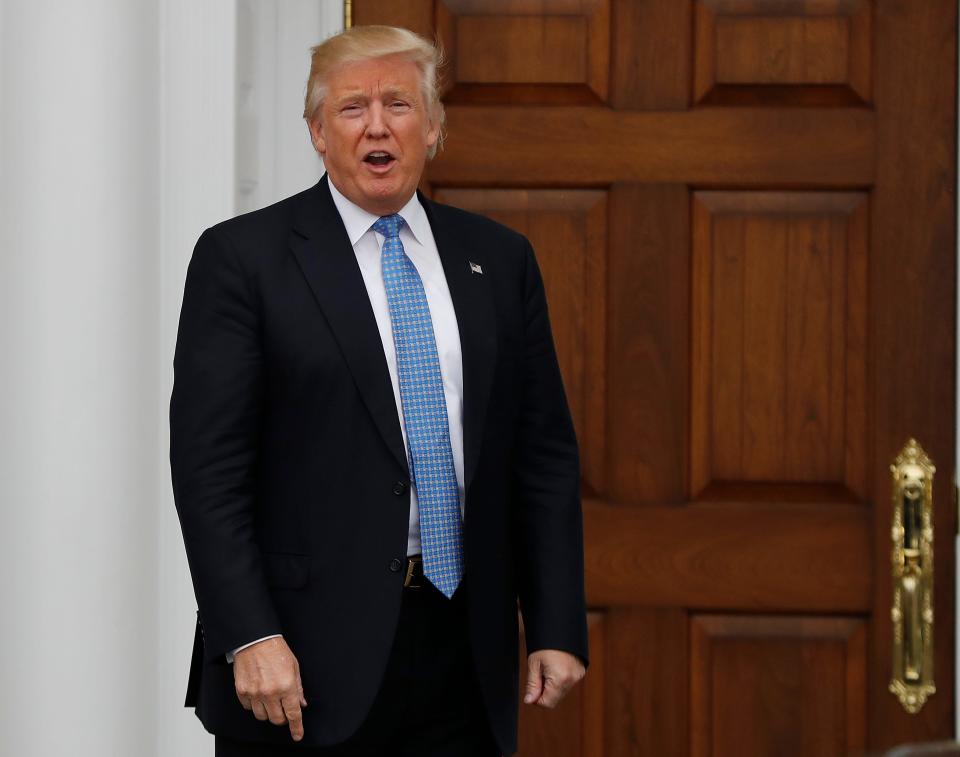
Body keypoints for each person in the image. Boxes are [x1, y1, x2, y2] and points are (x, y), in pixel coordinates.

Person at [169, 24, 588, 757]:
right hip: (302, 656)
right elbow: (209, 475)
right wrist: (250, 634)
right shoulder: (244, 260)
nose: (377, 125)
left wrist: (554, 623)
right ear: (317, 133)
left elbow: (542, 454)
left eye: (398, 103)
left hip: (464, 645)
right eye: (352, 108)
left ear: (432, 127)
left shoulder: (498, 258)